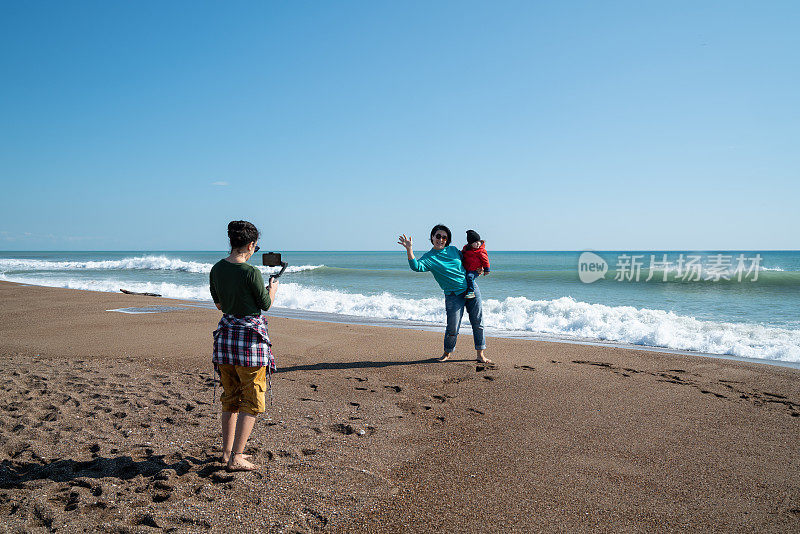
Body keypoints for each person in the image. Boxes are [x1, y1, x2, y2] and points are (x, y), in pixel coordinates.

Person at [209, 220, 278, 472]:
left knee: (230, 398)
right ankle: (237, 456)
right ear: (250, 245)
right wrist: (273, 289)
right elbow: (265, 304)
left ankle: (226, 452)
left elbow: (219, 304)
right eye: (255, 247)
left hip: (225, 339)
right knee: (251, 399)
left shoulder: (216, 269)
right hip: (249, 343)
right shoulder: (250, 272)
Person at [398, 225, 492, 364]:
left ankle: (480, 354)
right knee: (453, 327)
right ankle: (447, 352)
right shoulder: (429, 257)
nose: (441, 239)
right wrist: (409, 249)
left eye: (444, 237)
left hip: (471, 289)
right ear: (432, 237)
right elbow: (416, 267)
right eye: (438, 236)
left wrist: (480, 267)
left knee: (478, 323)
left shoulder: (453, 250)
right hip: (453, 295)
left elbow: (468, 260)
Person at [462, 229, 491, 299]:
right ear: (470, 244)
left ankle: (471, 292)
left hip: (475, 270)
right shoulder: (467, 250)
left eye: (478, 241)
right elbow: (462, 254)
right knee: (465, 277)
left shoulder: (481, 251)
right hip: (468, 268)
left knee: (469, 277)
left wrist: (486, 269)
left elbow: (485, 260)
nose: (478, 243)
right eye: (475, 242)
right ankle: (466, 290)